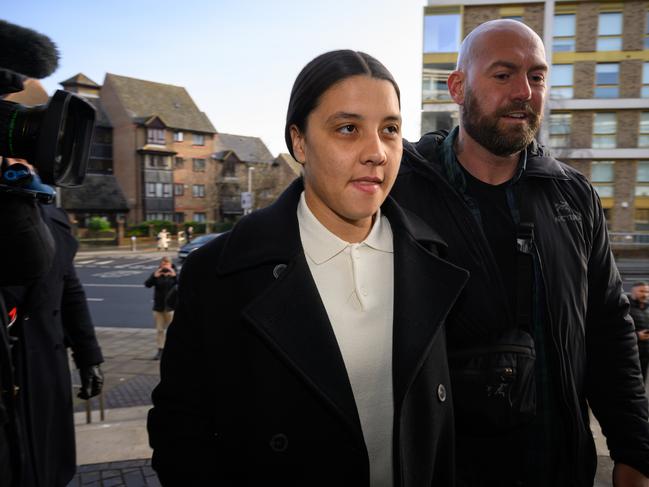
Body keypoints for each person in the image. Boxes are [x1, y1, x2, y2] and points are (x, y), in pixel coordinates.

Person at [148, 50, 468, 486]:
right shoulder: (218, 275)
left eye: (390, 129)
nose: (376, 152)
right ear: (299, 142)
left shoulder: (436, 259)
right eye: (348, 128)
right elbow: (180, 433)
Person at [391, 19, 649, 487]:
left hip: (559, 468)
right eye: (503, 74)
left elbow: (610, 330)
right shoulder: (403, 194)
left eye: (537, 76)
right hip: (443, 470)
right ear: (457, 87)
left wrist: (634, 451)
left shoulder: (574, 197)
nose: (525, 92)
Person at [3, 202, 104, 487]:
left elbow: (69, 290)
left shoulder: (50, 215)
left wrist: (88, 355)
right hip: (9, 366)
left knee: (49, 463)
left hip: (46, 365)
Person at [144, 257, 177, 360]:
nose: (164, 266)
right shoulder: (157, 274)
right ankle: (160, 350)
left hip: (171, 307)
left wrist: (174, 275)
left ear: (171, 265)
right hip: (158, 307)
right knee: (160, 330)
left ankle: (174, 350)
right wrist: (154, 276)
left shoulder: (174, 274)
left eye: (167, 264)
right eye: (163, 264)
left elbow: (182, 284)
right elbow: (147, 284)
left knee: (174, 330)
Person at [628, 281, 649, 383]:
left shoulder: (646, 310)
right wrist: (637, 335)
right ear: (633, 292)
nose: (645, 294)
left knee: (641, 383)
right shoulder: (626, 308)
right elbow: (614, 331)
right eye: (641, 291)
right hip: (629, 356)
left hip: (644, 356)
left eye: (647, 292)